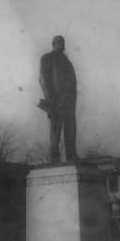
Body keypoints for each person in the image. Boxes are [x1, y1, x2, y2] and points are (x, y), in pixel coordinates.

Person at [38, 35, 78, 163]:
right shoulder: (47, 58)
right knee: (56, 129)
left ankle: (72, 155)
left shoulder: (67, 62)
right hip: (56, 99)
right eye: (59, 42)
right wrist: (49, 98)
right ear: (53, 44)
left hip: (70, 101)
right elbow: (43, 79)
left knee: (71, 128)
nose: (62, 43)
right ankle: (54, 157)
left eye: (63, 42)